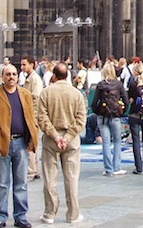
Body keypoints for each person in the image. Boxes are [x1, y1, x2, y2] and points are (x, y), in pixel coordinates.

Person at [0, 64, 38, 228]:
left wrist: (31, 140)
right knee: (2, 183)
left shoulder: (25, 94)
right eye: (8, 74)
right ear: (2, 77)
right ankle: (1, 216)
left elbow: (31, 118)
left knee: (21, 182)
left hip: (21, 143)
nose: (11, 77)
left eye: (14, 74)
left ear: (18, 76)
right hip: (1, 145)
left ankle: (21, 216)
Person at [37, 62, 86, 224]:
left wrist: (56, 136)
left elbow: (42, 118)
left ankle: (50, 213)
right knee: (71, 178)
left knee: (50, 178)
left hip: (52, 140)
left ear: (54, 76)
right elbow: (81, 119)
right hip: (71, 141)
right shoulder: (76, 93)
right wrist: (68, 136)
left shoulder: (46, 93)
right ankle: (73, 214)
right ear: (68, 76)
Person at [91, 62, 128, 176]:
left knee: (106, 142)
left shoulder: (100, 85)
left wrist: (97, 112)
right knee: (117, 141)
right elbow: (125, 101)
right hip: (115, 116)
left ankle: (108, 169)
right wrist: (121, 112)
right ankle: (116, 167)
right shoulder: (118, 84)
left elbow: (94, 102)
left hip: (102, 116)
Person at [20, 56, 43, 182]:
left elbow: (36, 98)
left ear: (32, 65)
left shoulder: (35, 79)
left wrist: (30, 114)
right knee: (33, 142)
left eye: (24, 64)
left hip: (32, 115)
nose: (22, 67)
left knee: (30, 142)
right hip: (30, 114)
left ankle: (31, 171)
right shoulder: (29, 78)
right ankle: (35, 170)